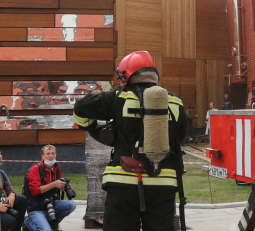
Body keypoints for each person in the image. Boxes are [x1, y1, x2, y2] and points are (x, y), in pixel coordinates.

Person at [73, 50, 189, 231]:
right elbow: (181, 136)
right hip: (163, 183)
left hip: (122, 183)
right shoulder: (174, 100)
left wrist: (94, 129)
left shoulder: (118, 96)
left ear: (126, 74)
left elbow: (80, 108)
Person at [23, 145, 76, 231]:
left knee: (71, 204)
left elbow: (53, 190)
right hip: (36, 207)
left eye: (53, 153)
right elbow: (35, 191)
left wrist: (61, 187)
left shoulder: (56, 167)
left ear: (56, 154)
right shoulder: (35, 169)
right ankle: (27, 222)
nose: (51, 156)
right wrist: (54, 184)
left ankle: (51, 224)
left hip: (50, 203)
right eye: (47, 154)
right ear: (42, 156)